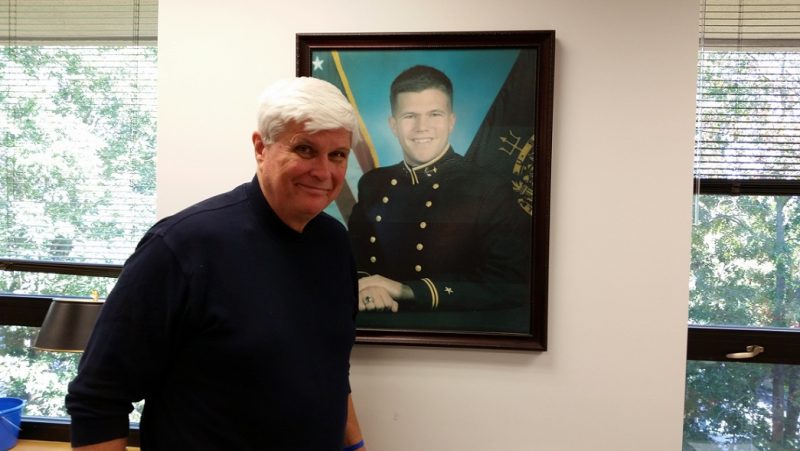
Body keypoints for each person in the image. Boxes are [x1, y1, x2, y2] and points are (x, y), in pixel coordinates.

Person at [66, 77, 367, 450]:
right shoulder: (180, 247)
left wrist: (355, 446)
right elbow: (98, 398)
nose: (324, 172)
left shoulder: (335, 243)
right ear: (261, 147)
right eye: (305, 149)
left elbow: (332, 370)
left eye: (337, 155)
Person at [347, 65, 531, 333]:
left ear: (451, 121)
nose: (422, 127)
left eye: (434, 114)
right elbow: (354, 257)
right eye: (410, 116)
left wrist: (408, 290)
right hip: (375, 326)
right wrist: (366, 286)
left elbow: (509, 283)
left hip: (447, 331)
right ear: (393, 125)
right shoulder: (373, 184)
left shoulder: (488, 187)